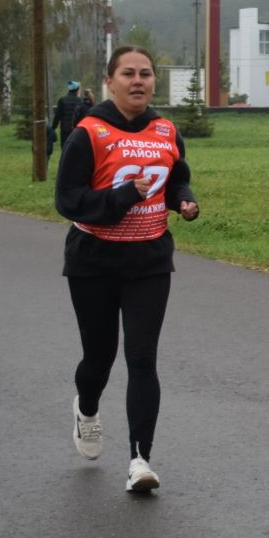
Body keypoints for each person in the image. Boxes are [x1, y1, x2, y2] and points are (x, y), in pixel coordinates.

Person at [54, 46, 200, 493]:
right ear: (110, 81)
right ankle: (88, 407)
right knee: (99, 359)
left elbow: (176, 176)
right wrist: (122, 198)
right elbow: (68, 200)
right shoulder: (89, 132)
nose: (138, 81)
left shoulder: (165, 129)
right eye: (128, 74)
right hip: (94, 260)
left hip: (149, 259)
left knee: (141, 358)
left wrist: (183, 199)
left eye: (146, 74)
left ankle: (140, 460)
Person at [46, 80, 85, 161]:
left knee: (65, 147)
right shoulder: (80, 101)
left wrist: (53, 128)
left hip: (65, 128)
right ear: (77, 90)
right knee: (76, 147)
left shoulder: (62, 100)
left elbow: (58, 116)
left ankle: (65, 162)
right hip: (76, 129)